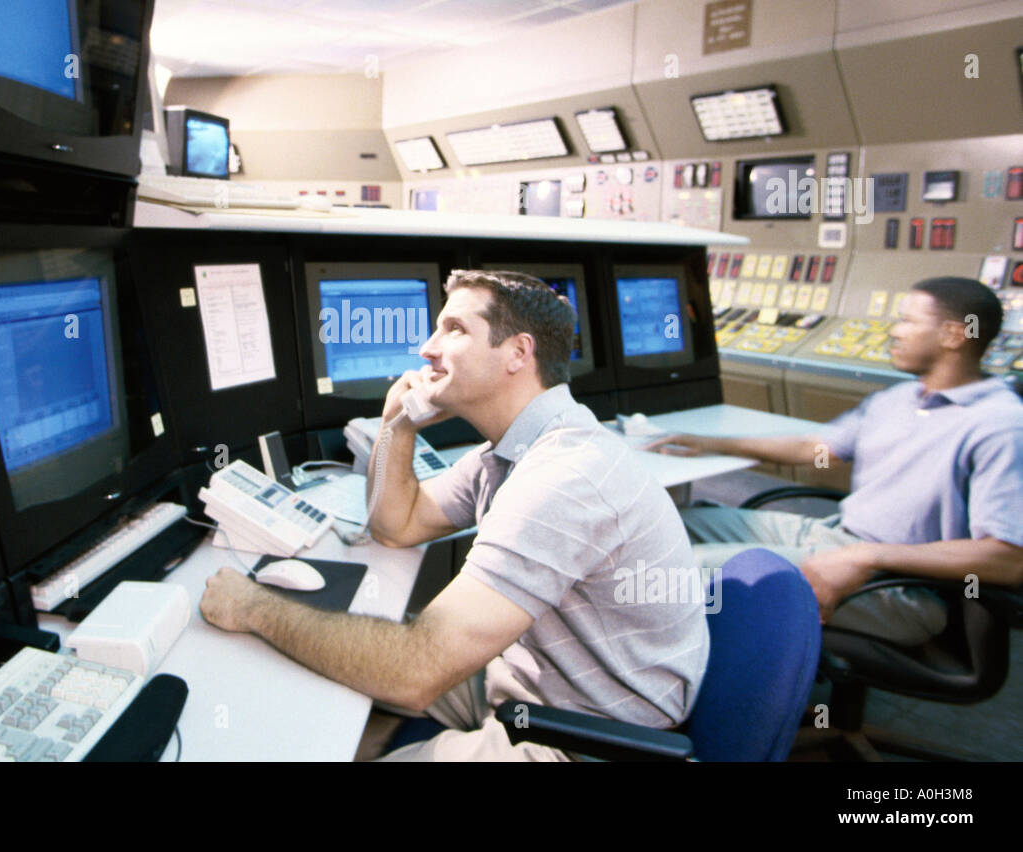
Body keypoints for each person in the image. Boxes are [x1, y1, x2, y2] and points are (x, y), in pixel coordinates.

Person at [200, 269, 709, 761]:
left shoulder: (563, 479)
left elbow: (415, 673)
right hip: (530, 676)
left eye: (455, 329)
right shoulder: (513, 450)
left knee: (367, 661)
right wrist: (398, 426)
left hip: (584, 735)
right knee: (329, 683)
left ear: (518, 353)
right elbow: (397, 526)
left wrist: (254, 608)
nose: (427, 348)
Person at [645, 277, 1023, 646]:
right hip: (837, 537)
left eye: (908, 321)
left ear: (954, 335)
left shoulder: (999, 425)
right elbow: (815, 450)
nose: (894, 331)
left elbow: (1007, 559)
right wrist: (710, 443)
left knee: (676, 574)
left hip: (903, 586)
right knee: (664, 527)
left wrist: (866, 556)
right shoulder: (900, 398)